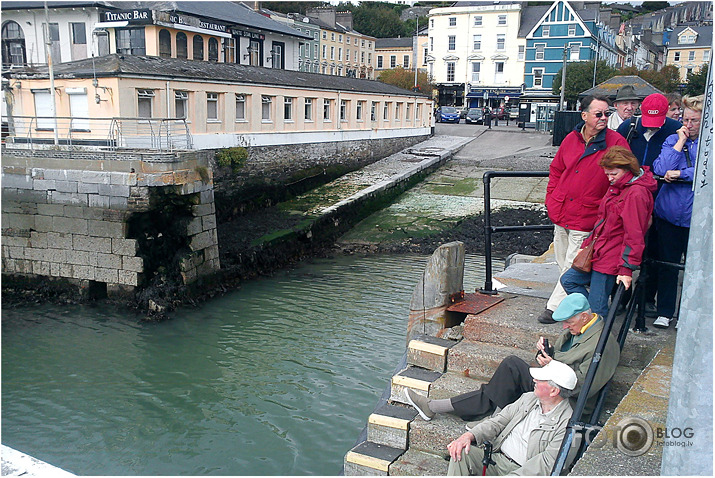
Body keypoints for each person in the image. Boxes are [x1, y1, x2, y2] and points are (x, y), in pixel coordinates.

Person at [405, 293, 620, 423]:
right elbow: (559, 358)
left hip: (568, 399)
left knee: (509, 370)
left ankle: (434, 407)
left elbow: (582, 387)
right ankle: (440, 408)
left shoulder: (603, 344)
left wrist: (552, 365)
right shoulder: (577, 328)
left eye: (568, 322)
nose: (564, 327)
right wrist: (546, 353)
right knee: (510, 369)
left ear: (584, 316)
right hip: (553, 382)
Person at [537, 95, 630, 324]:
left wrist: (605, 209)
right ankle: (577, 304)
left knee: (572, 264)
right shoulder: (571, 139)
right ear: (584, 115)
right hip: (562, 211)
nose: (604, 118)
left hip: (588, 214)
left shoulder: (615, 142)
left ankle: (555, 307)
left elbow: (624, 177)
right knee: (563, 262)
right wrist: (552, 198)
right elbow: (557, 169)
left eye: (607, 114)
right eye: (599, 114)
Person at [560, 147, 656, 316]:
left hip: (610, 256)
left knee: (596, 305)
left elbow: (634, 234)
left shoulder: (635, 193)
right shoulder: (621, 187)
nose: (610, 178)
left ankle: (595, 333)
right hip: (602, 251)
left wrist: (626, 268)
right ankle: (589, 322)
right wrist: (587, 244)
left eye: (613, 174)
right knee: (569, 281)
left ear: (627, 169)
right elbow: (602, 220)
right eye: (607, 174)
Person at [446, 360, 577, 476]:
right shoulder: (528, 398)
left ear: (554, 391)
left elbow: (546, 465)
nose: (534, 380)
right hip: (497, 460)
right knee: (460, 453)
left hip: (523, 472)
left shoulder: (568, 425)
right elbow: (498, 421)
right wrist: (469, 435)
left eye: (541, 379)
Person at [615, 94, 681, 314]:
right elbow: (615, 155)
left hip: (661, 196)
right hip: (629, 195)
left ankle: (646, 298)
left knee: (654, 250)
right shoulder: (629, 127)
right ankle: (621, 297)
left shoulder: (674, 129)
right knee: (623, 245)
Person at [650, 94, 702, 329]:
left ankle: (687, 314)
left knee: (694, 269)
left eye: (694, 121)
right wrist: (680, 143)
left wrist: (681, 175)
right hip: (669, 214)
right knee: (667, 265)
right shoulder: (673, 138)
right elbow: (660, 167)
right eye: (685, 119)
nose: (688, 125)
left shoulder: (706, 146)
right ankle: (665, 311)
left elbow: (705, 171)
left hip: (696, 217)